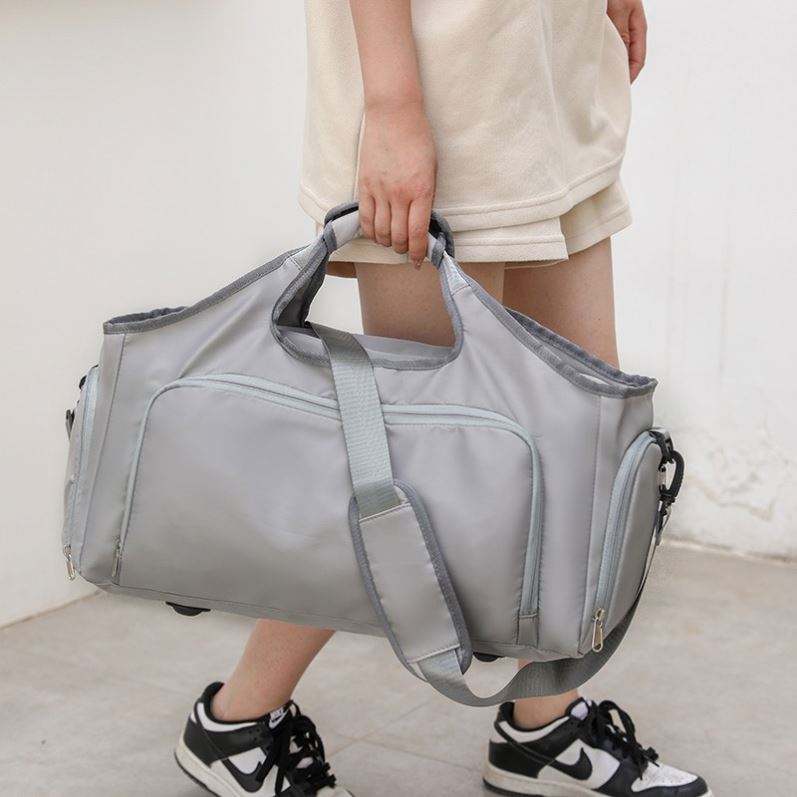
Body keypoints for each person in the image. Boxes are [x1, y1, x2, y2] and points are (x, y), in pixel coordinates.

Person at [174, 2, 712, 796]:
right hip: (439, 85)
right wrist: (392, 105)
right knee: (413, 475)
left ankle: (542, 722)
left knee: (583, 445)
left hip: (546, 76)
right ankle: (237, 720)